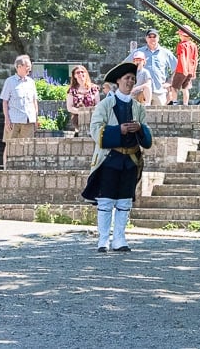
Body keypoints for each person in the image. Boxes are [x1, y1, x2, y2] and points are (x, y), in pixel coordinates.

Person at [81, 62, 153, 252]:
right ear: (118, 81)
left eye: (132, 79)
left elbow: (146, 137)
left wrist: (139, 129)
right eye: (126, 78)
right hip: (110, 159)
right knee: (106, 200)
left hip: (130, 160)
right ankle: (103, 239)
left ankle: (120, 238)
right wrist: (118, 130)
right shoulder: (105, 105)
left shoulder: (138, 107)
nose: (130, 82)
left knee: (124, 201)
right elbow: (95, 130)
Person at [0, 55, 39, 167]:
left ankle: (25, 167)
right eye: (27, 66)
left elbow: (34, 101)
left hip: (29, 120)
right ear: (19, 66)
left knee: (27, 145)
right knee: (10, 144)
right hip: (14, 119)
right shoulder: (10, 81)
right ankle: (6, 167)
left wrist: (36, 118)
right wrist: (6, 119)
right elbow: (5, 102)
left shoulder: (31, 82)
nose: (29, 68)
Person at [126, 28, 177, 106]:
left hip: (159, 91)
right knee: (140, 116)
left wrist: (169, 82)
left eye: (154, 36)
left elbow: (177, 69)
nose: (152, 38)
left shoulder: (166, 53)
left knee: (159, 117)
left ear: (158, 38)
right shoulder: (138, 52)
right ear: (146, 38)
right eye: (149, 37)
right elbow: (124, 66)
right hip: (141, 92)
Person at [168, 25, 199, 105]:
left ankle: (174, 103)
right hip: (190, 70)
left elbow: (182, 57)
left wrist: (184, 69)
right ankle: (185, 104)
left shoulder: (181, 45)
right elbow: (195, 59)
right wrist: (194, 71)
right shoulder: (194, 45)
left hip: (181, 70)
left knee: (174, 87)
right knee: (185, 88)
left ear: (182, 35)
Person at [66, 65, 101, 134]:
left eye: (82, 72)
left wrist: (89, 112)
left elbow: (98, 105)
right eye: (78, 72)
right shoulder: (72, 90)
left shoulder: (94, 88)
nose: (80, 74)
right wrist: (83, 112)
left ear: (86, 73)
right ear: (74, 76)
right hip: (78, 120)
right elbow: (69, 108)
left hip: (93, 119)